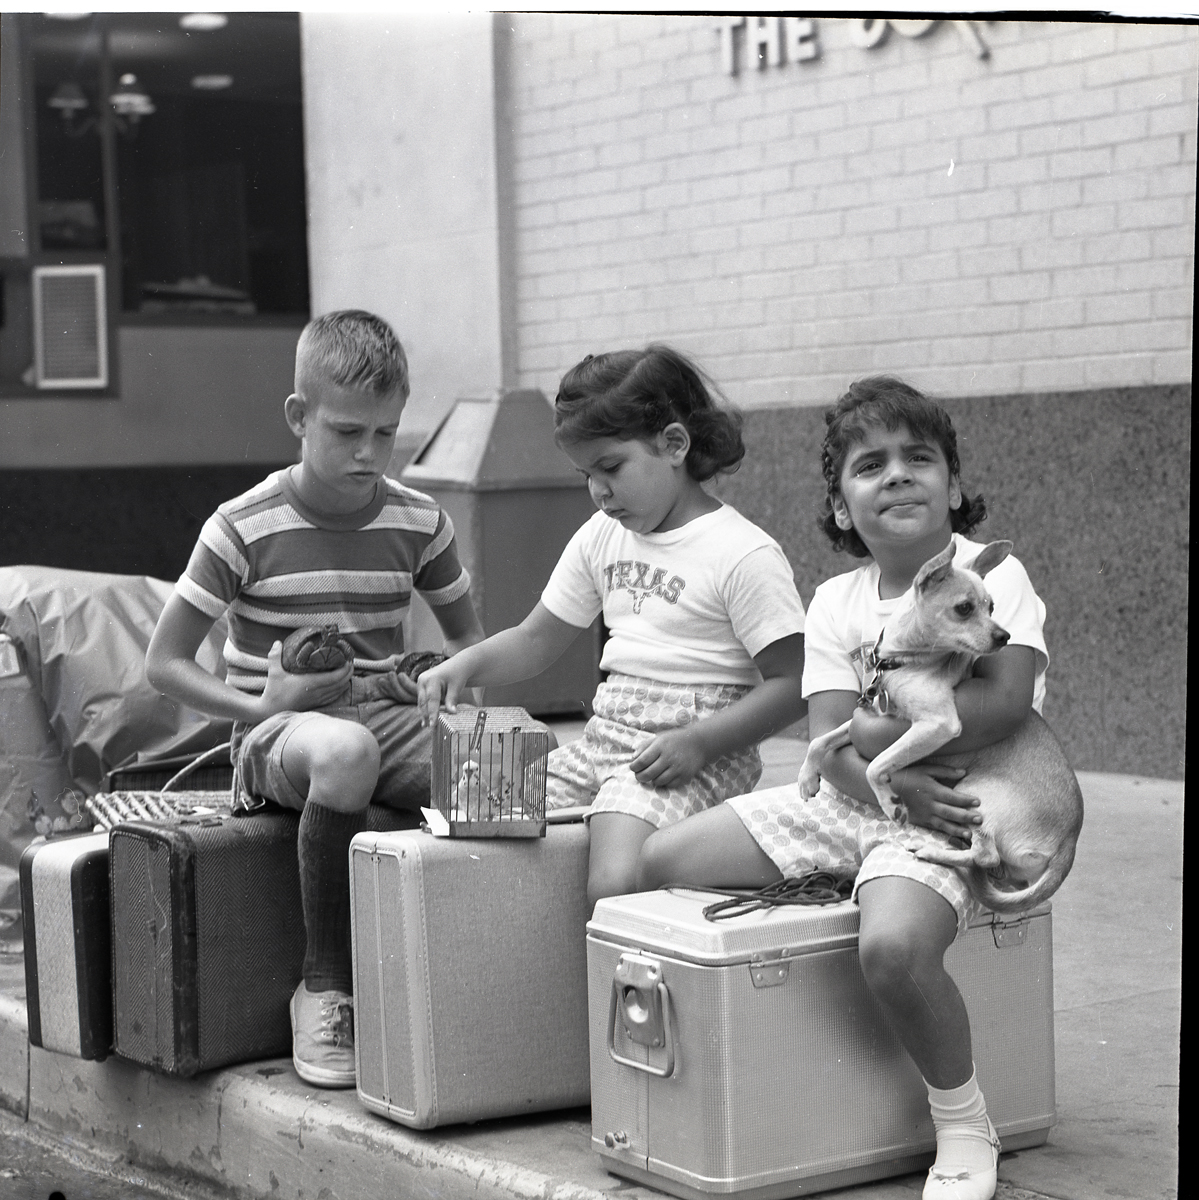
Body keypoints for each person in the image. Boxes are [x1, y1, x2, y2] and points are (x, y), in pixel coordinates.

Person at [636, 376, 1050, 1200]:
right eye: (869, 465)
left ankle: (964, 1124)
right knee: (662, 857)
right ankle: (858, 895)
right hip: (871, 796)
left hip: (963, 802)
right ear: (838, 505)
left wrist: (883, 757)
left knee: (892, 946)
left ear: (954, 488)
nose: (895, 474)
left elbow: (1002, 705)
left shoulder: (987, 576)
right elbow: (829, 738)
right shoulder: (836, 601)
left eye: (917, 458)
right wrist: (884, 778)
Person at [145, 310, 485, 1090]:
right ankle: (325, 984)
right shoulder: (242, 525)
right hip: (277, 732)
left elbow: (472, 645)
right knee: (345, 751)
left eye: (386, 434)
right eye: (346, 433)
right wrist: (265, 710)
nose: (369, 454)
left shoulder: (419, 520)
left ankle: (459, 981)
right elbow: (164, 665)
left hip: (380, 716)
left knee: (503, 764)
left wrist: (440, 688)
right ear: (299, 418)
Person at [416, 345, 807, 909]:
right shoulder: (602, 535)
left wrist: (701, 743)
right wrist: (466, 663)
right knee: (471, 808)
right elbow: (535, 639)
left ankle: (618, 992)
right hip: (605, 740)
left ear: (674, 445)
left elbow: (794, 683)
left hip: (693, 757)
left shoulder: (742, 553)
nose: (598, 491)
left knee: (615, 879)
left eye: (611, 468)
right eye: (585, 474)